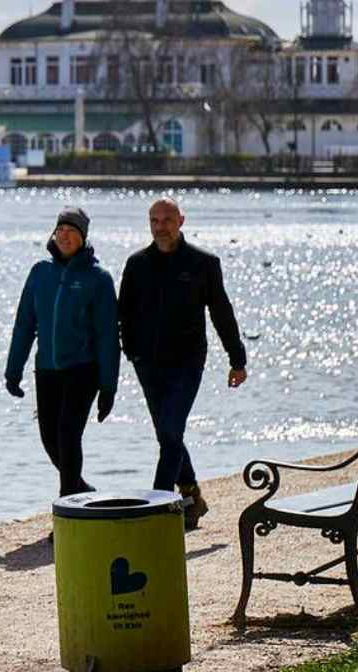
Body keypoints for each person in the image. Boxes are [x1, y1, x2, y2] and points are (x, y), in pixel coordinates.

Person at [118, 197, 247, 530]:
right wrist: (129, 350)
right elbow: (123, 314)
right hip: (147, 364)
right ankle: (191, 496)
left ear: (181, 221)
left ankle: (158, 507)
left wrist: (237, 359)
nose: (161, 227)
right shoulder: (136, 264)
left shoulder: (203, 264)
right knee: (167, 434)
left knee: (171, 431)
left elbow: (221, 312)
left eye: (167, 220)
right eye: (154, 221)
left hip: (187, 363)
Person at [5, 207, 119, 498]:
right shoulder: (40, 272)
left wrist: (108, 387)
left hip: (83, 370)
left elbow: (108, 337)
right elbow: (24, 324)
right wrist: (13, 370)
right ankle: (80, 490)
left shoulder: (98, 278)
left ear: (83, 236)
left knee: (68, 436)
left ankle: (69, 508)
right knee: (49, 438)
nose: (64, 237)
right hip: (47, 370)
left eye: (71, 232)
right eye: (60, 231)